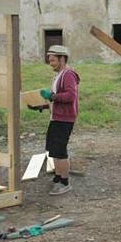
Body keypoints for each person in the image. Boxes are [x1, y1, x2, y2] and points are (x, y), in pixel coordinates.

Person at [38, 45, 80, 196]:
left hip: (64, 119)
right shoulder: (58, 75)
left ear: (62, 59)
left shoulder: (68, 74)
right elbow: (56, 97)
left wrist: (52, 97)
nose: (51, 63)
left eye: (53, 60)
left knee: (60, 151)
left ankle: (65, 183)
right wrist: (42, 105)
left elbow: (70, 96)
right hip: (56, 117)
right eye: (49, 60)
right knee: (53, 150)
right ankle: (58, 177)